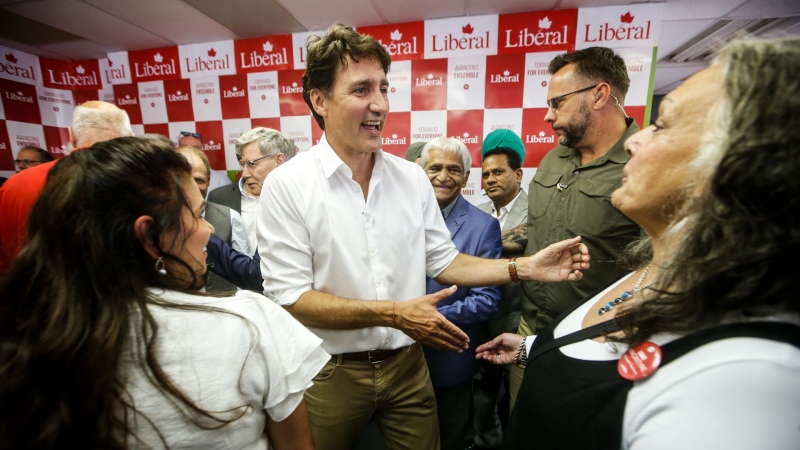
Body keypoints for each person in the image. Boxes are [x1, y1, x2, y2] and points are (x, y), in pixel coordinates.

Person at [257, 23, 589, 450]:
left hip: (408, 366)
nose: (379, 104)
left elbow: (445, 261)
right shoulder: (288, 185)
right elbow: (291, 298)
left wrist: (522, 267)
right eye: (361, 90)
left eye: (383, 88)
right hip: (329, 370)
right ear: (319, 101)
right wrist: (396, 313)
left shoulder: (411, 178)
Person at [477, 37, 800, 450]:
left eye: (663, 124)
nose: (636, 142)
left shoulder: (738, 362)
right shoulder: (649, 260)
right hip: (539, 337)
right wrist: (533, 346)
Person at [0, 136, 329, 449]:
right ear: (148, 234)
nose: (209, 229)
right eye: (197, 215)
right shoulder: (249, 324)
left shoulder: (27, 335)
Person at [506, 47, 643, 403]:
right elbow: (534, 230)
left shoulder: (643, 164)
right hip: (529, 331)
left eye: (557, 103)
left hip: (596, 342)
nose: (548, 116)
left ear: (599, 95)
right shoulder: (553, 158)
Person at [420, 137, 502, 450]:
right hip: (398, 359)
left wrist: (428, 318)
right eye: (435, 168)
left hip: (448, 358)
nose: (443, 176)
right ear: (421, 171)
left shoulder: (483, 227)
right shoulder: (401, 217)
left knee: (448, 437)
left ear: (466, 178)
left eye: (454, 169)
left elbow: (486, 299)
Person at [0, 100, 133, 273]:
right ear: (131, 136)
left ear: (71, 135)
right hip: (124, 293)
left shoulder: (15, 185)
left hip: (33, 293)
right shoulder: (148, 180)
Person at [470, 130, 528, 450]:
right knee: (483, 394)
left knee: (517, 398)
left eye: (498, 172)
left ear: (518, 174)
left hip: (518, 319)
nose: (490, 179)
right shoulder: (476, 210)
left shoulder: (537, 209)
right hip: (481, 320)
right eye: (486, 174)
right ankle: (486, 443)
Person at [207, 127, 296, 257]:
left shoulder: (302, 198)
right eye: (243, 164)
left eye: (252, 164)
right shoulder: (219, 198)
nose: (245, 174)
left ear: (279, 161)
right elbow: (215, 254)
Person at [178, 131, 232, 195]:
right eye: (185, 148)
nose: (191, 152)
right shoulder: (168, 177)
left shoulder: (220, 179)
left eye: (196, 148)